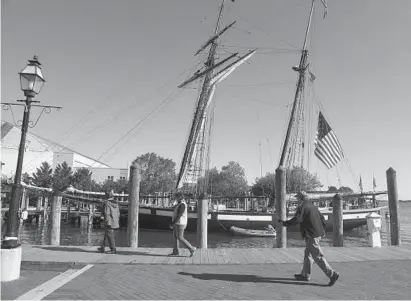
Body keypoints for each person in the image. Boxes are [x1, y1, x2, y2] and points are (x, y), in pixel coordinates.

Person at [278, 191, 340, 286]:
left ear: (301, 198)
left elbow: (297, 220)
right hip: (317, 234)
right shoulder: (313, 207)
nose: (296, 200)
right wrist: (322, 230)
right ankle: (305, 275)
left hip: (311, 235)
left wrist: (285, 223)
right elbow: (322, 219)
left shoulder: (302, 207)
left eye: (297, 198)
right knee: (308, 254)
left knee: (317, 256)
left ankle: (332, 274)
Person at [169, 192, 196, 257]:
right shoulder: (179, 204)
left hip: (180, 223)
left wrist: (172, 223)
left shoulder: (182, 205)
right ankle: (175, 251)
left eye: (176, 197)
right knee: (175, 237)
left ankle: (191, 248)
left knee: (180, 237)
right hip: (178, 223)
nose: (175, 198)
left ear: (179, 198)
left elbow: (179, 215)